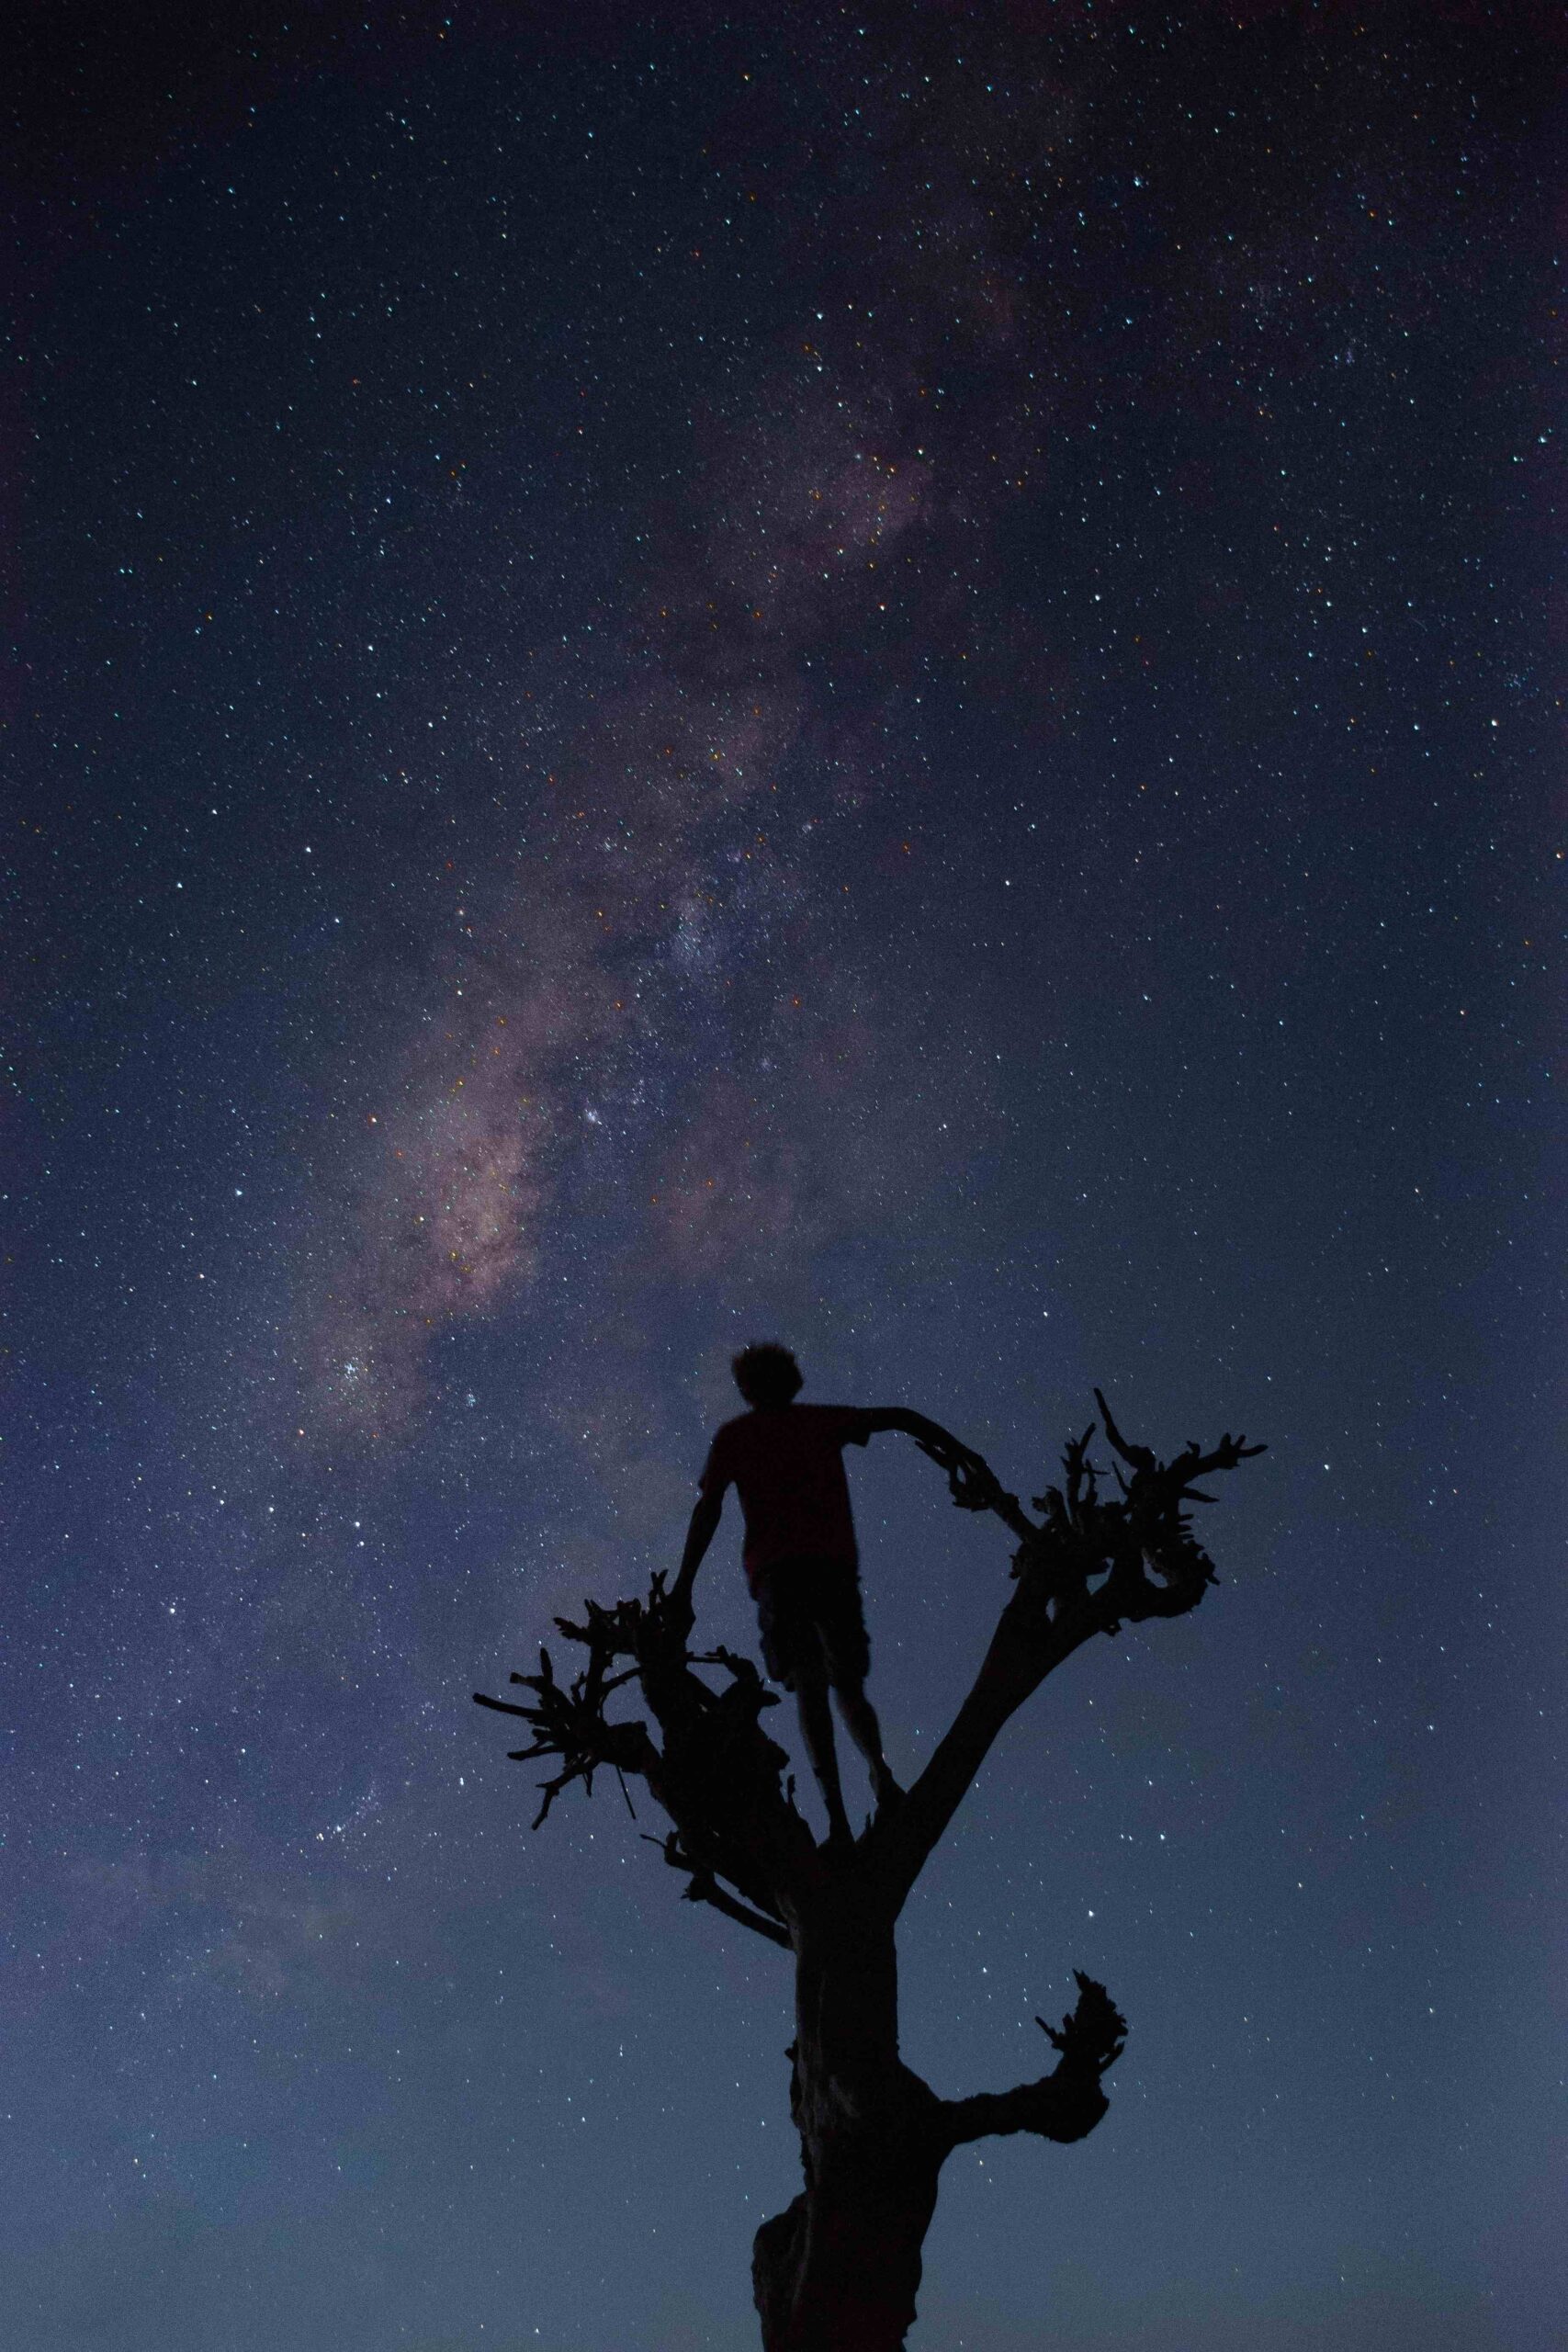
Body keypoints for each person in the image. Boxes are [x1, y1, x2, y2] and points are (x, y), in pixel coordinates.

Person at [672, 1341, 983, 1846]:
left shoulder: (738, 1435)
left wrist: (684, 1585)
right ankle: (878, 1779)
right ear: (791, 1380)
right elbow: (901, 1417)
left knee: (812, 1688)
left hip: (781, 1576)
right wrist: (961, 1451)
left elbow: (708, 1510)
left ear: (747, 1388)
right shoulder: (818, 1422)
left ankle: (839, 1816)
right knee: (844, 1687)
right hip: (828, 1570)